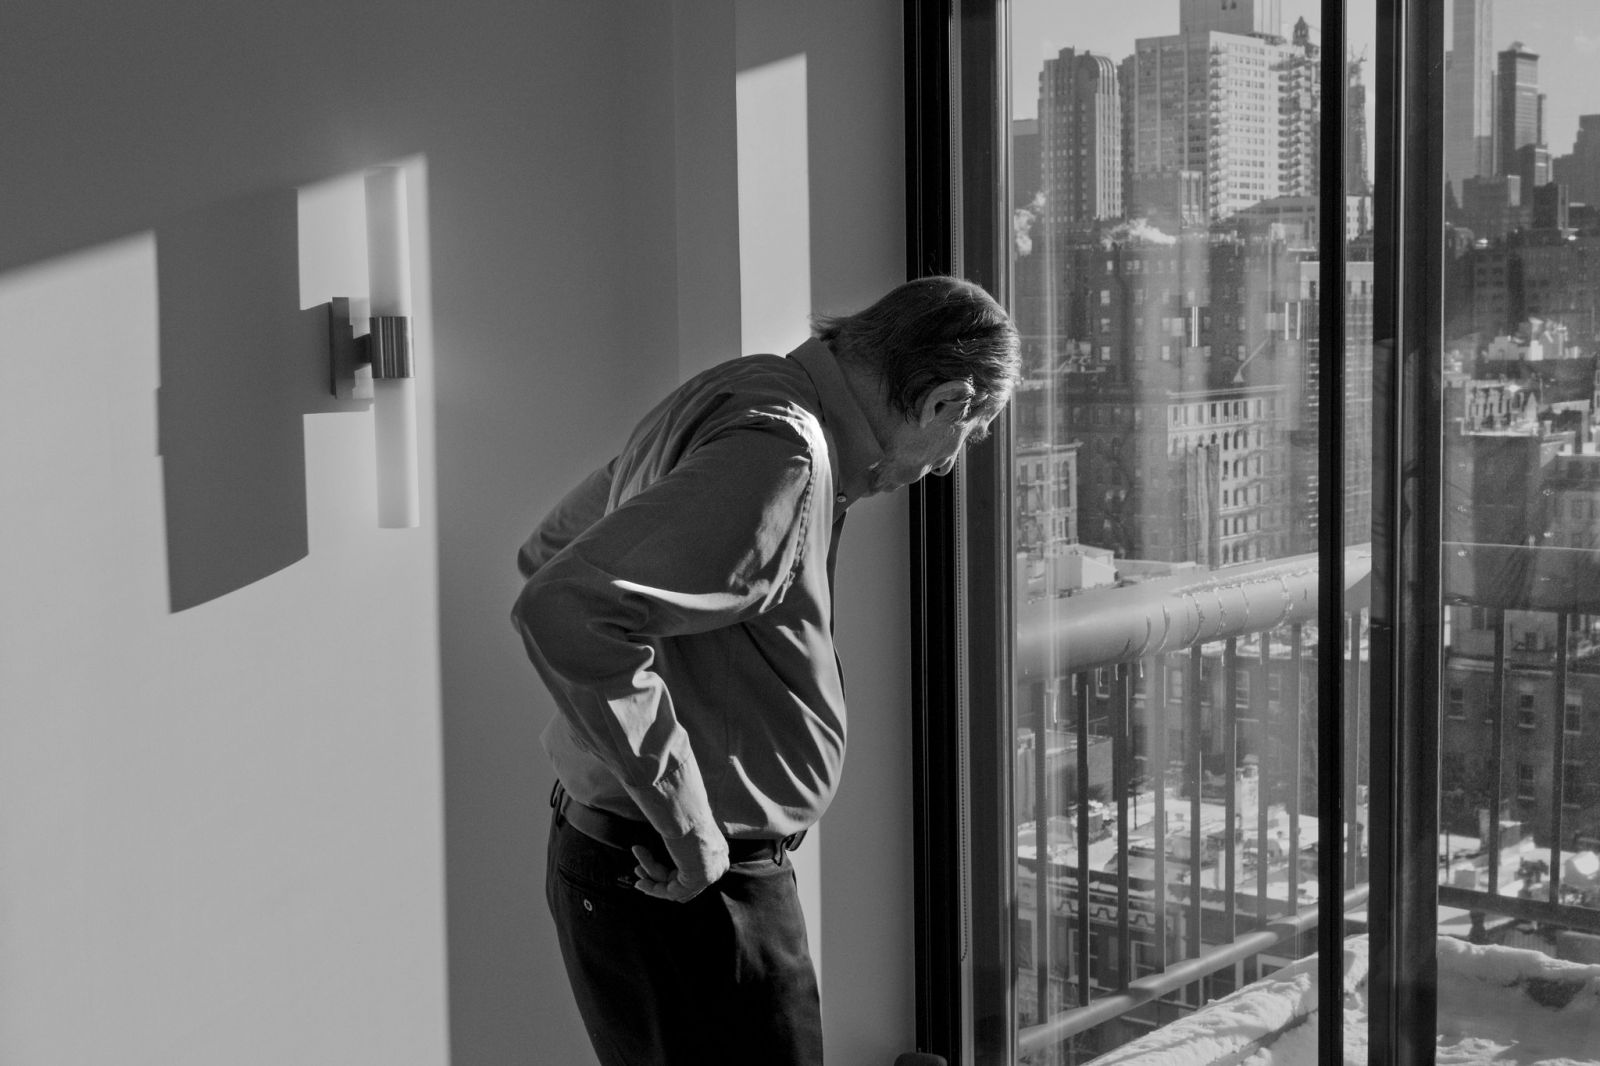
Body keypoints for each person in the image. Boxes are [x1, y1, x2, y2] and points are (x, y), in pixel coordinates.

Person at [512, 275, 1019, 1066]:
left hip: (624, 865)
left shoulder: (740, 390)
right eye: (970, 435)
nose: (949, 465)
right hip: (685, 889)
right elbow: (563, 602)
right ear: (945, 403)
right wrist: (689, 827)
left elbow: (550, 545)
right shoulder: (782, 455)